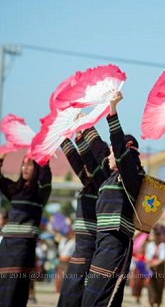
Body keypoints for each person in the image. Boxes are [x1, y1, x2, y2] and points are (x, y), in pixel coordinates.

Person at [81, 90, 146, 307]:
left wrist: (112, 110)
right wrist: (84, 126)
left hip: (116, 244)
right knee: (91, 298)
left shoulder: (131, 177)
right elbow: (99, 149)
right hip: (102, 241)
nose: (108, 156)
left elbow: (116, 146)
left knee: (103, 300)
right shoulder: (110, 177)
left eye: (113, 153)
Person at [0, 154, 52, 307]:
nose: (25, 168)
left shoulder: (40, 193)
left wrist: (43, 156)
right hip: (6, 245)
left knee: (15, 288)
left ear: (37, 168)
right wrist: (3, 154)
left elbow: (45, 178)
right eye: (23, 164)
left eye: (29, 165)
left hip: (23, 247)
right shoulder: (14, 190)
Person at [57, 127, 109, 307]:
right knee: (69, 295)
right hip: (79, 253)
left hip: (92, 252)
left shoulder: (103, 185)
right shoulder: (86, 182)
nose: (85, 167)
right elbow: (75, 160)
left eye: (90, 163)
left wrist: (85, 133)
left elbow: (93, 163)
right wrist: (62, 137)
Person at [146, 228, 165, 307]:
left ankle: (158, 302)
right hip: (151, 267)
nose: (151, 236)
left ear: (157, 236)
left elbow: (162, 259)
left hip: (159, 268)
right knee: (151, 285)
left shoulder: (162, 246)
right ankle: (151, 302)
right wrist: (149, 265)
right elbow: (147, 257)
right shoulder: (150, 245)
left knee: (159, 285)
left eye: (153, 235)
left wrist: (153, 264)